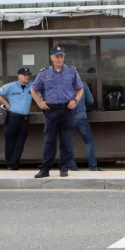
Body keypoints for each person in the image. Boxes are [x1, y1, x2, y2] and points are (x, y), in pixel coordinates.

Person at [30, 46, 84, 179]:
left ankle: (64, 168)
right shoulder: (44, 73)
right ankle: (45, 169)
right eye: (57, 56)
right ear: (51, 58)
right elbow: (33, 89)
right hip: (51, 111)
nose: (59, 59)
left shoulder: (72, 72)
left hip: (67, 110)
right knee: (49, 141)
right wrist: (40, 102)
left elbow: (80, 89)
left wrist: (75, 101)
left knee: (67, 141)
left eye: (61, 56)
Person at [0, 67, 33, 171]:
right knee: (10, 141)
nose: (27, 77)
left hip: (24, 118)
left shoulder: (31, 86)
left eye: (28, 75)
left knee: (20, 142)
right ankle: (10, 163)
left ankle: (14, 164)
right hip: (12, 117)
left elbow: (39, 96)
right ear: (19, 76)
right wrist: (6, 103)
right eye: (24, 75)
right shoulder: (11, 86)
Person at [69, 79, 99, 171]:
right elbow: (91, 101)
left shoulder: (64, 84)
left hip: (68, 118)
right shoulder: (83, 84)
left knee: (69, 143)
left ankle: (72, 166)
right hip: (81, 117)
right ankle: (92, 166)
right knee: (88, 142)